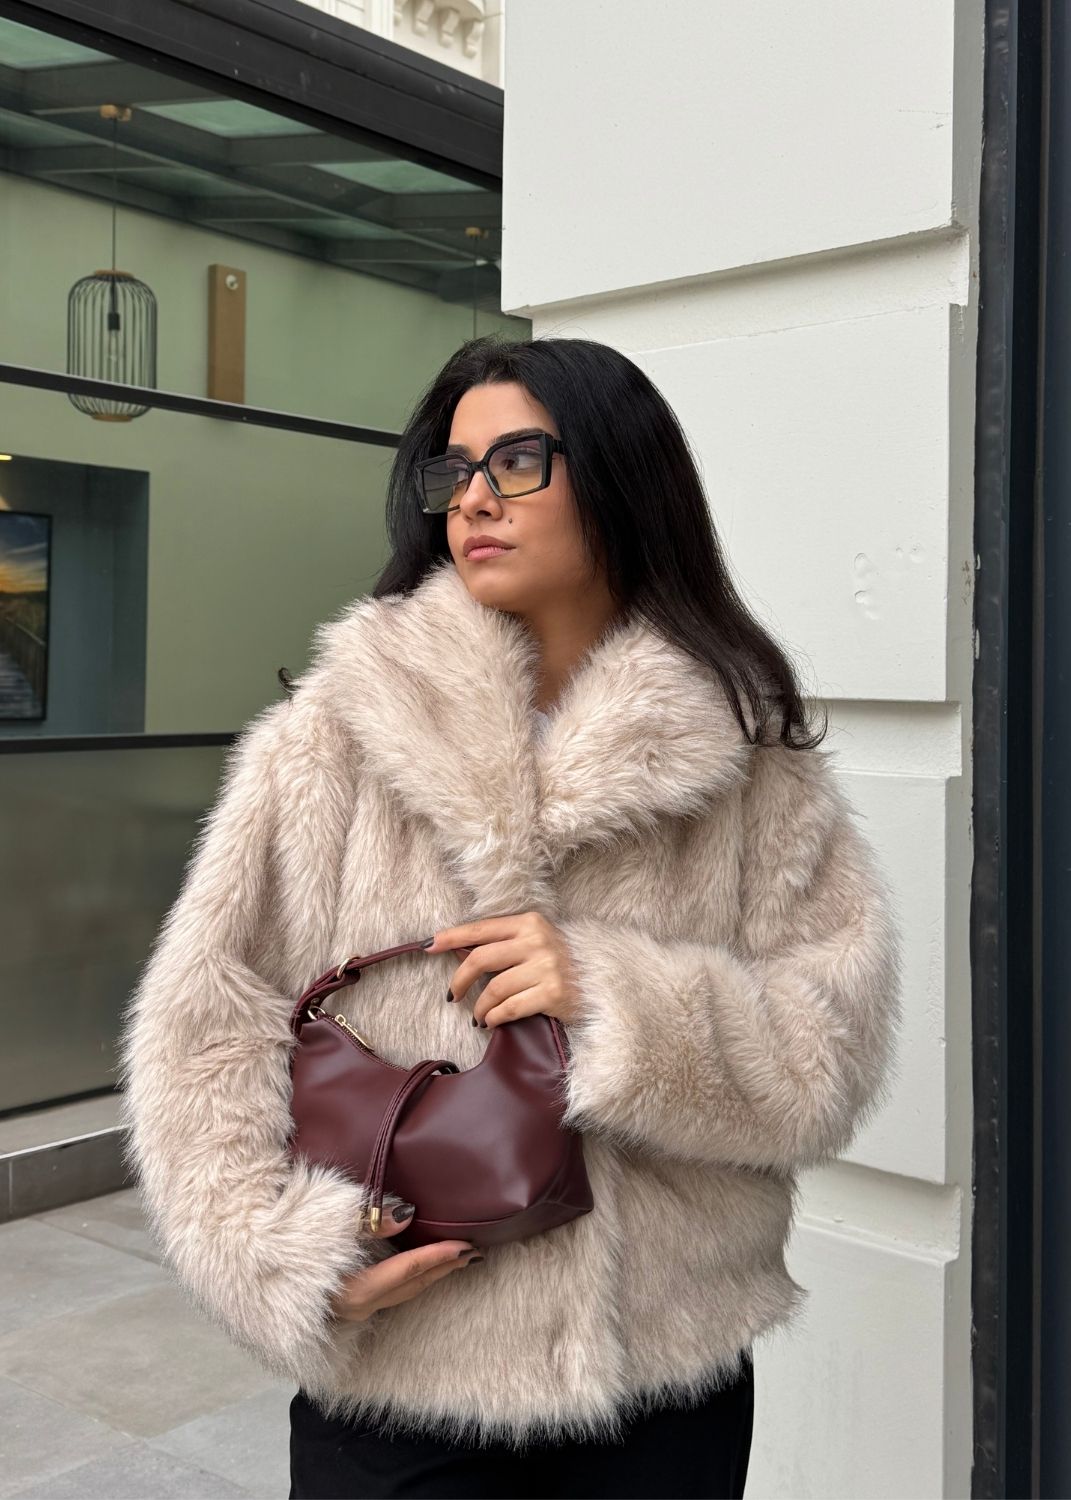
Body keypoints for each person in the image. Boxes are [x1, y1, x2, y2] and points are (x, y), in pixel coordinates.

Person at [117, 335, 903, 1500]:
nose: (474, 498)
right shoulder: (333, 737)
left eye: (519, 461)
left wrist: (618, 998)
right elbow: (206, 1026)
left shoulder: (751, 763)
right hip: (409, 1369)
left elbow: (827, 1052)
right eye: (455, 471)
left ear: (624, 479)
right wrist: (276, 1260)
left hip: (662, 1370)